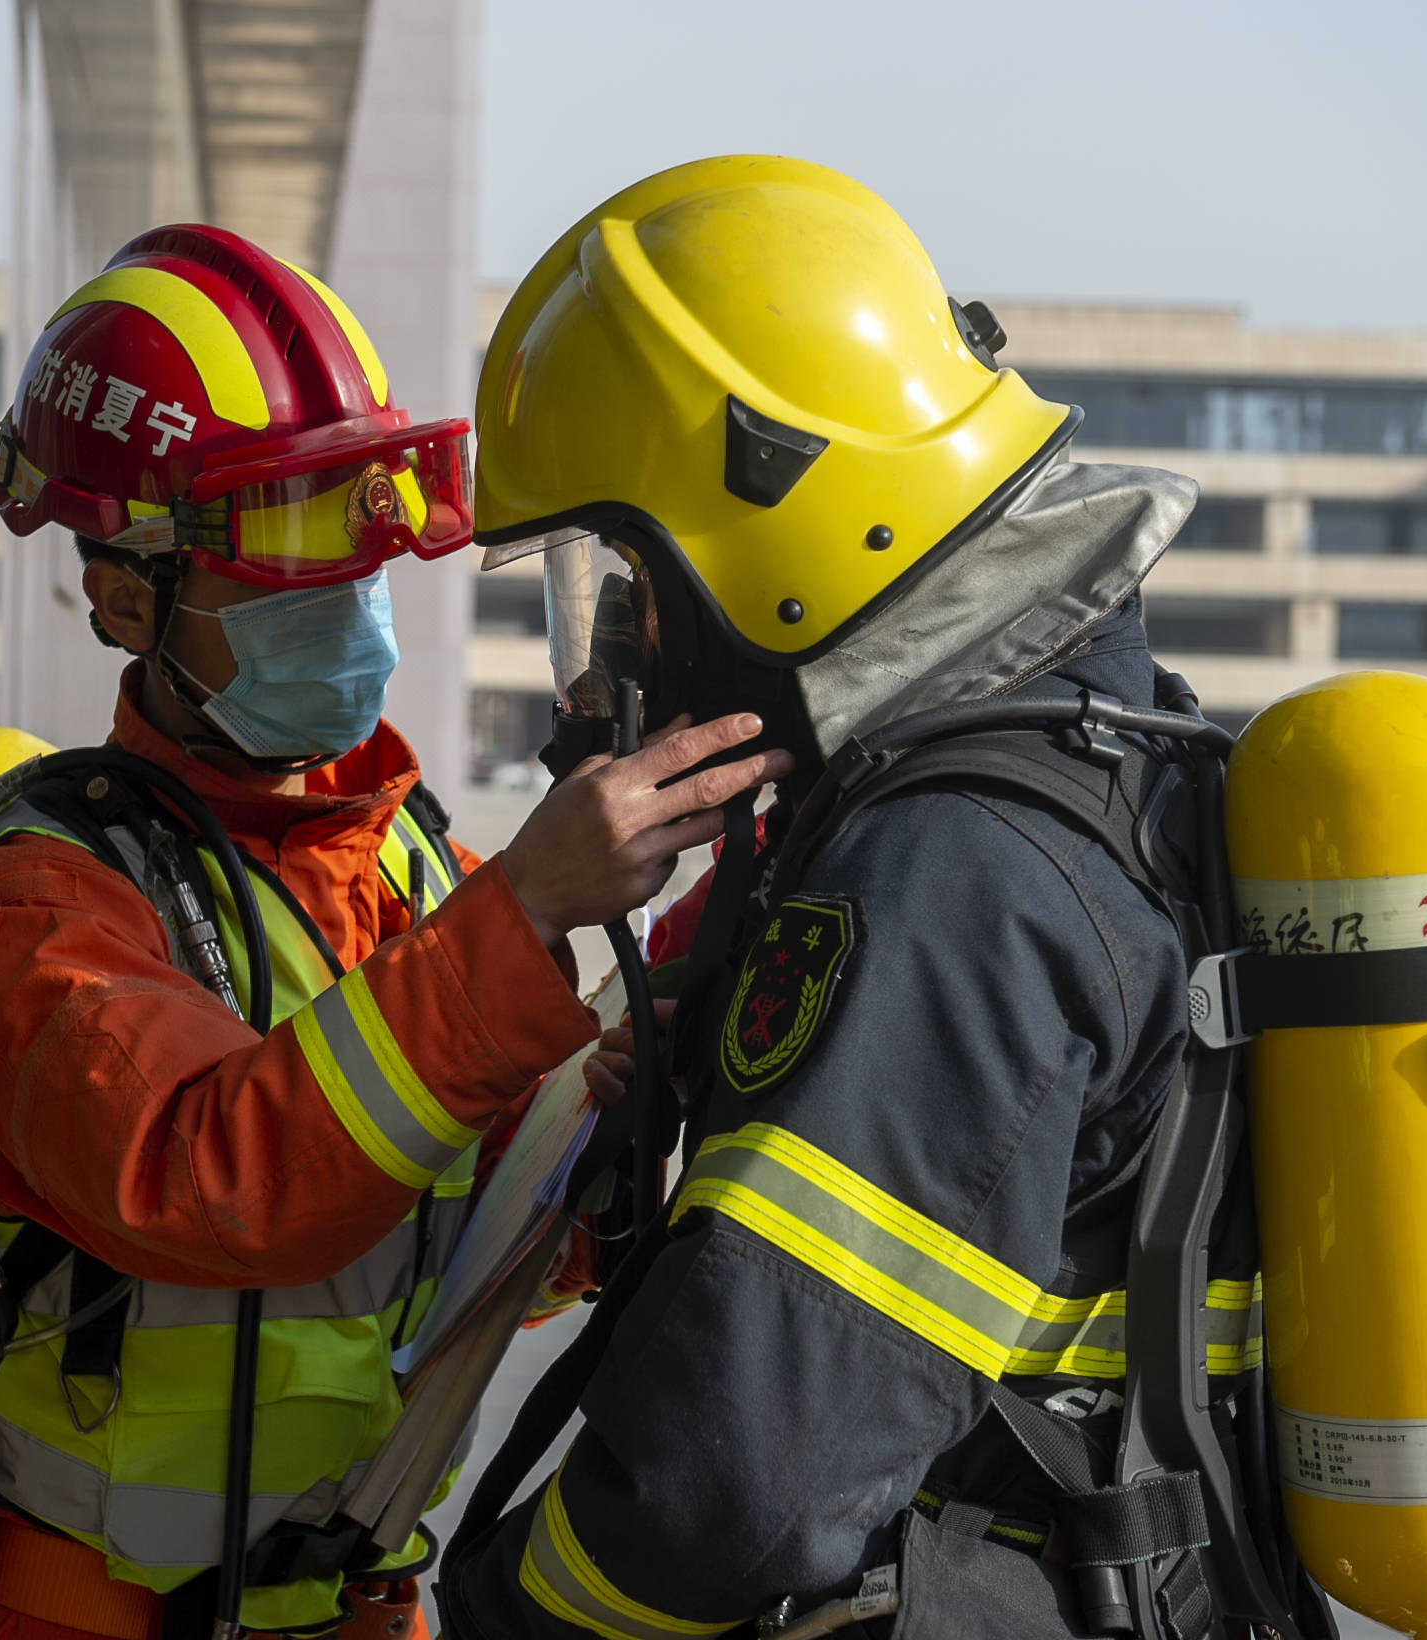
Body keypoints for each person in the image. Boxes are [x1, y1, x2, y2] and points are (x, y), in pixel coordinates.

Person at [440, 158, 1314, 1640]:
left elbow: (735, 1489)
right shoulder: (1107, 754)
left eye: (626, 570)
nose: (612, 640)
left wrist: (509, 1613)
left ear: (773, 520)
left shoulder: (949, 877)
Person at [0, 225, 789, 1640]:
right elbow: (211, 1178)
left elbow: (456, 1245)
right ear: (123, 592)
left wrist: (618, 1107)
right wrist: (530, 911)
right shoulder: (30, 902)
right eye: (287, 578)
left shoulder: (419, 871)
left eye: (361, 567)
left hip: (364, 1613)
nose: (349, 618)